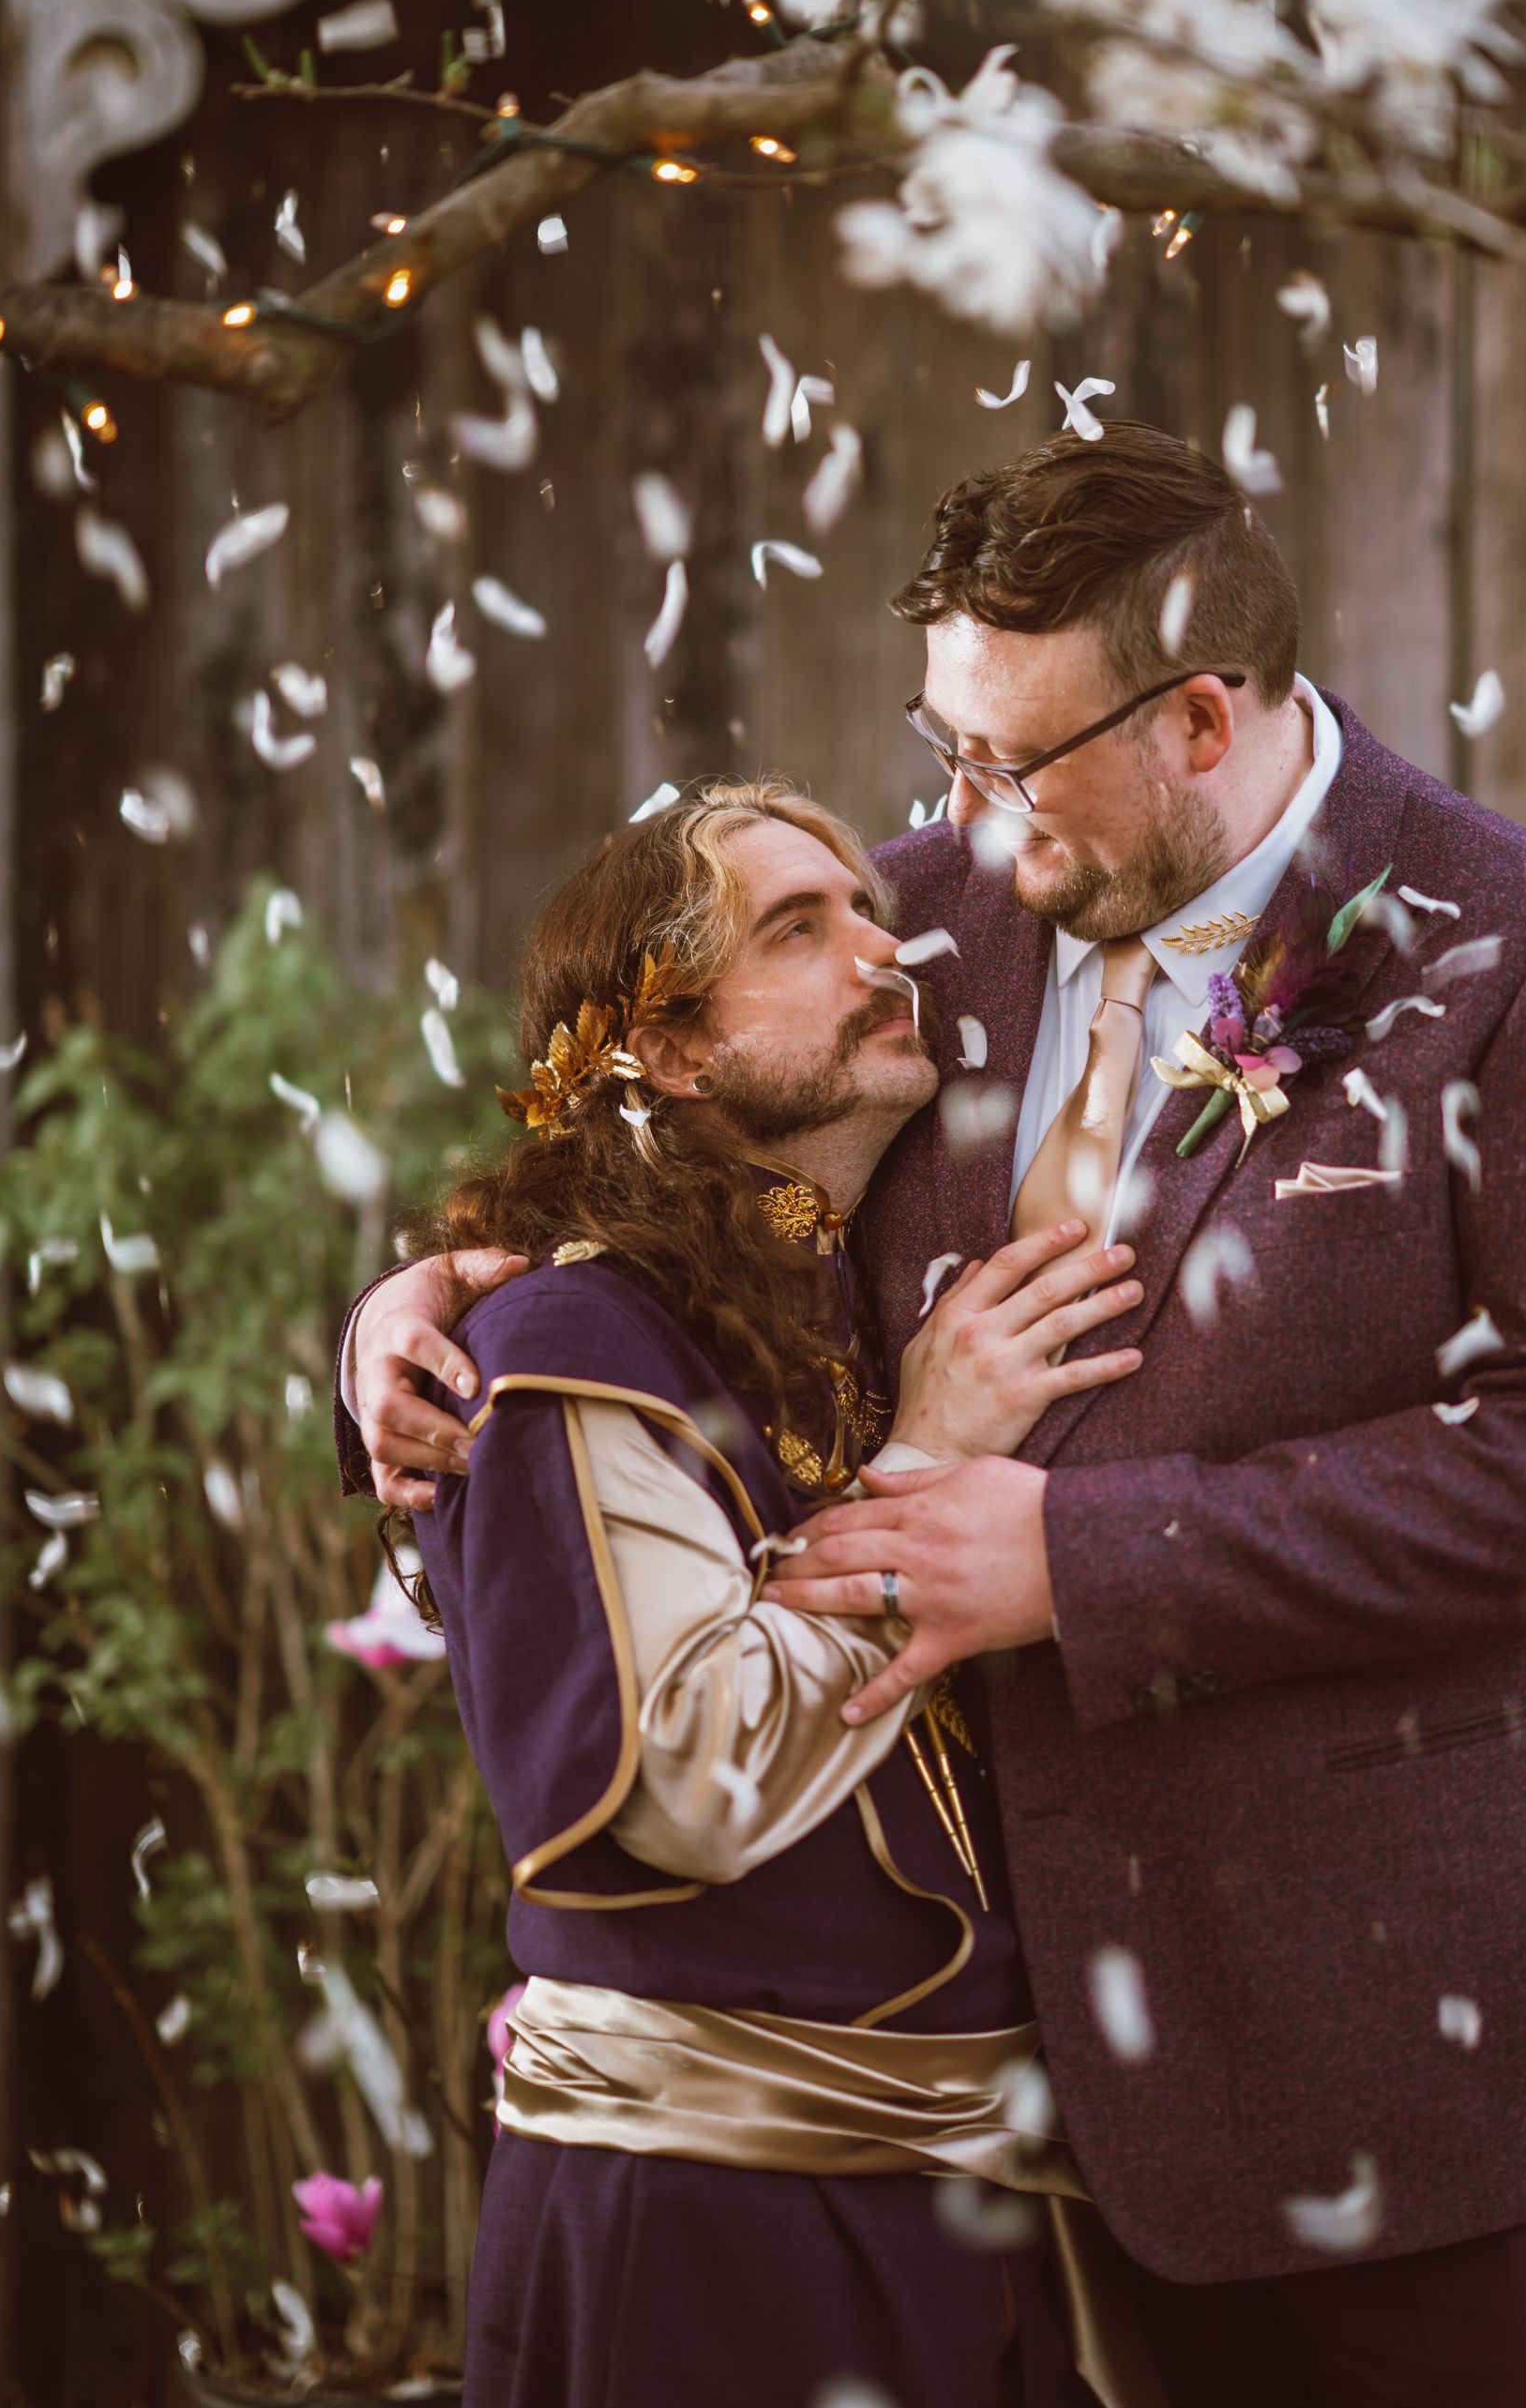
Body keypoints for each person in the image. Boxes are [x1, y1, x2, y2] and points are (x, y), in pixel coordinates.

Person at [347, 423, 1526, 2408]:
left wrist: (1073, 1560)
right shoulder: (917, 926)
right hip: (1023, 2113)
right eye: (941, 746)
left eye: (1012, 761)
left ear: (1197, 719)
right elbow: (667, 1175)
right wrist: (417, 1303)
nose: (961, 818)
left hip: (1435, 2082)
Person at [370, 780, 1162, 2408]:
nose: (883, 949)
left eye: (869, 909)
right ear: (668, 1049)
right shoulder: (570, 1344)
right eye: (797, 930)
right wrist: (933, 1454)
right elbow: (677, 1776)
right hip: (712, 2229)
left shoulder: (816, 1302)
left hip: (947, 2205)